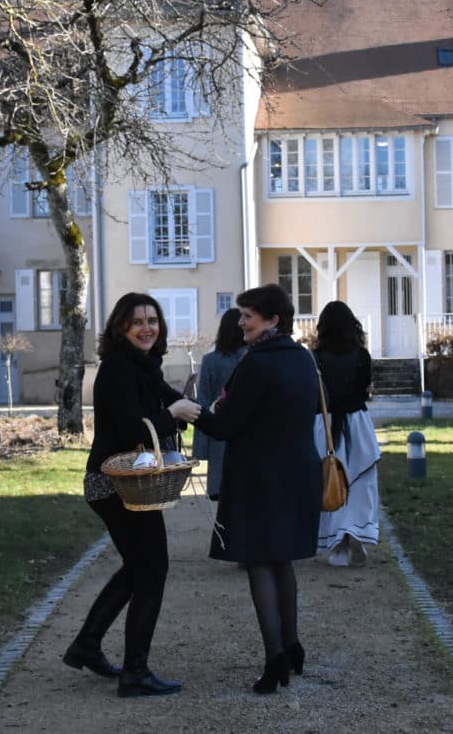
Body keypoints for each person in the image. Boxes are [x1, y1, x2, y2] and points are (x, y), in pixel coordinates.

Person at [63, 292, 201, 698]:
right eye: (137, 321)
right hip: (114, 484)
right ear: (121, 327)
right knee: (152, 570)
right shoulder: (119, 369)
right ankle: (135, 673)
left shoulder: (144, 366)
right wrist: (173, 415)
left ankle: (87, 644)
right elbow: (130, 429)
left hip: (126, 481)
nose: (147, 328)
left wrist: (199, 412)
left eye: (153, 320)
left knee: (139, 568)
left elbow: (170, 400)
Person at [191, 283, 320, 694]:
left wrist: (193, 412)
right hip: (298, 471)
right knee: (282, 559)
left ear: (273, 320)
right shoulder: (303, 359)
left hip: (259, 474)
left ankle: (274, 659)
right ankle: (293, 645)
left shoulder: (256, 362)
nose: (240, 322)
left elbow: (226, 425)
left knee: (260, 561)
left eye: (248, 315)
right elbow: (316, 404)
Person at [310, 300, 380, 566]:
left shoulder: (315, 358)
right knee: (361, 482)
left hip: (325, 424)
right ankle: (357, 530)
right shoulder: (362, 356)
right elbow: (364, 391)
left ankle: (338, 543)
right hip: (358, 423)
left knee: (331, 480)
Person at [191, 308, 245, 501]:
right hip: (247, 430)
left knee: (221, 498)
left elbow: (203, 402)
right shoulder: (252, 357)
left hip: (219, 430)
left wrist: (201, 448)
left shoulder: (210, 360)